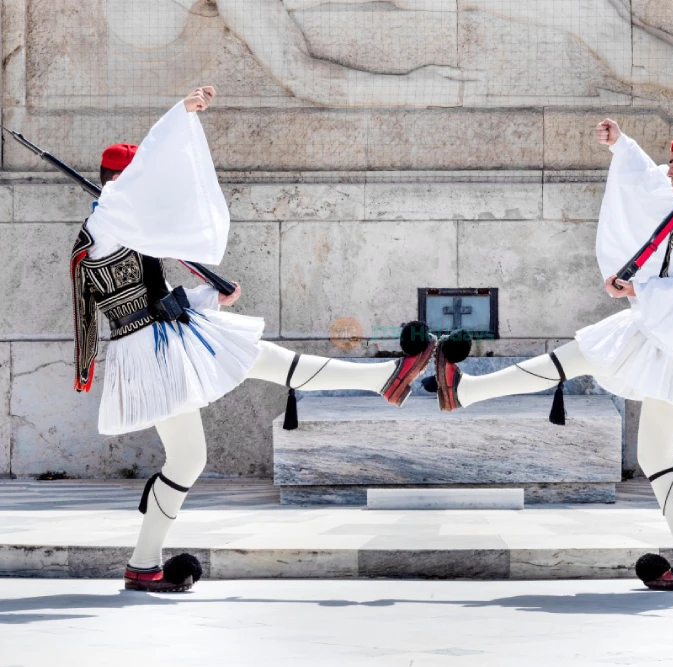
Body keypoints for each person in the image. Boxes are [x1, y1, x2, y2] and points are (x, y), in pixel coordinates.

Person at [71, 86, 435, 592]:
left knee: (246, 383)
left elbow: (147, 291)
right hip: (153, 351)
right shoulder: (111, 219)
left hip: (161, 339)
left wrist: (205, 298)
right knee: (217, 422)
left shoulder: (116, 223)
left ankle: (384, 377)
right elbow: (147, 186)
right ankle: (384, 377)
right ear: (123, 182)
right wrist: (179, 113)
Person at [432, 117, 673, 592]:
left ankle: (469, 390)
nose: (668, 171)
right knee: (656, 455)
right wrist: (621, 146)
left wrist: (636, 287)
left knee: (583, 354)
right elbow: (645, 186)